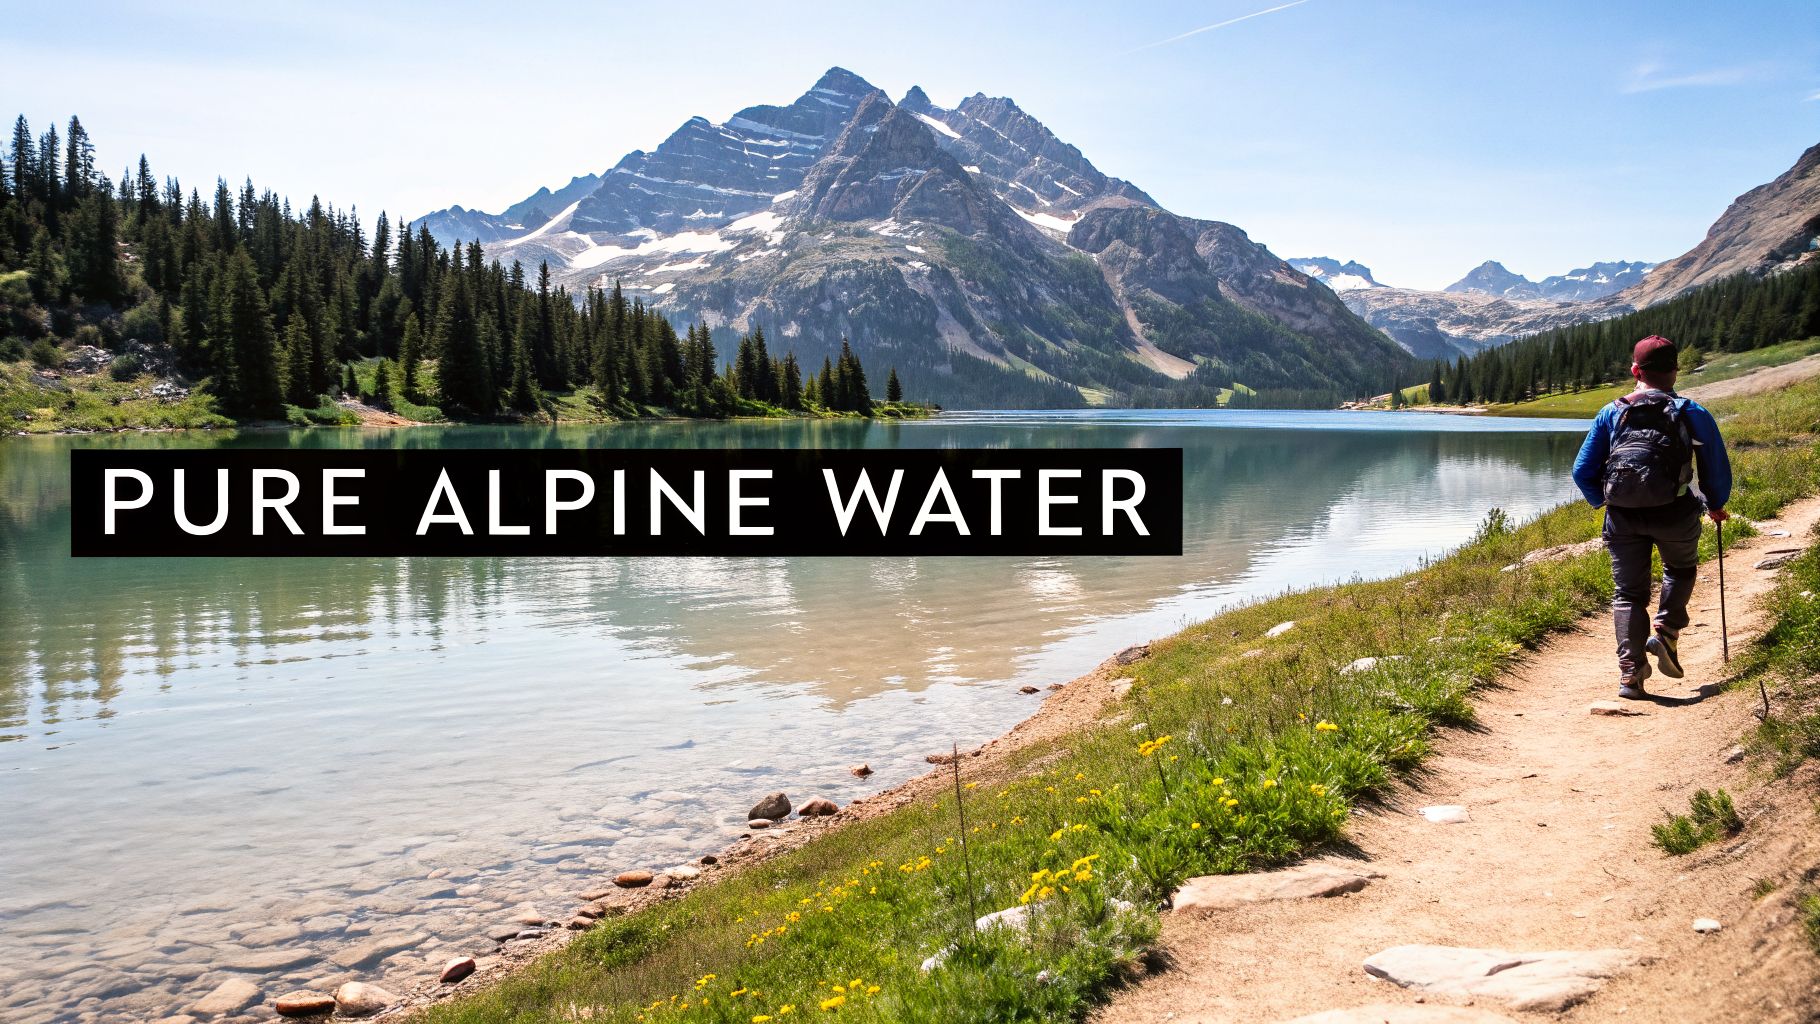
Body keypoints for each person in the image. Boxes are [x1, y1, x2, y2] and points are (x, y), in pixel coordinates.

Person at [1571, 335, 1731, 699]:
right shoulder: (1691, 411)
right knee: (1679, 569)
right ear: (1676, 370)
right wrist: (1715, 502)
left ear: (1635, 370)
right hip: (1675, 512)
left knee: (1627, 593)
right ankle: (1666, 631)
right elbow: (1715, 467)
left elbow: (1582, 471)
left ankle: (1630, 675)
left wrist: (1604, 501)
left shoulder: (1612, 411)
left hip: (1622, 516)